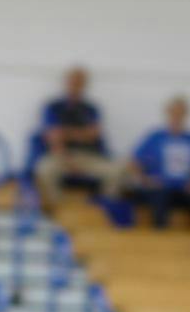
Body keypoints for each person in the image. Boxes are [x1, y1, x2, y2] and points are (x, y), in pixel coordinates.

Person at [24, 66, 123, 209]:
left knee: (116, 171)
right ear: (66, 82)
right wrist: (68, 152)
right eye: (73, 81)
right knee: (44, 170)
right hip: (60, 154)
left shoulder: (91, 109)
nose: (76, 85)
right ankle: (58, 209)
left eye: (80, 82)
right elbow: (53, 136)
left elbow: (93, 135)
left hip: (87, 156)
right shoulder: (53, 107)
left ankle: (103, 208)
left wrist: (66, 133)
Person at [126, 97, 190, 231]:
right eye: (174, 112)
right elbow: (133, 162)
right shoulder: (155, 137)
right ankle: (161, 235)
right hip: (160, 188)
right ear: (168, 113)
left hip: (183, 189)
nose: (177, 116)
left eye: (181, 113)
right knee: (160, 198)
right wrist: (146, 180)